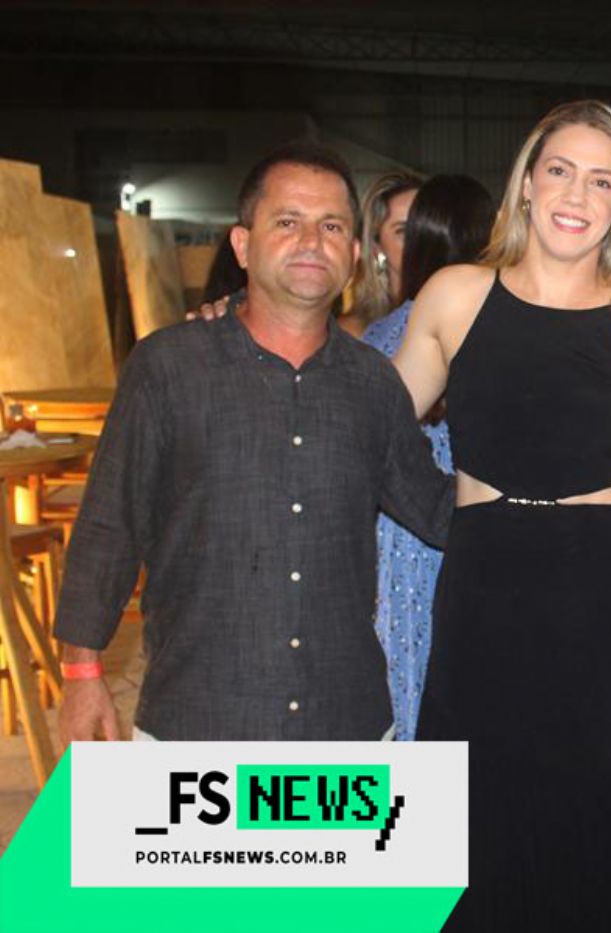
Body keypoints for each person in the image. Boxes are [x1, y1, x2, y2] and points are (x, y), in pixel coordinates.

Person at [394, 101, 611, 930]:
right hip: (482, 595)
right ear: (527, 182)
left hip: (601, 602)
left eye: (602, 180)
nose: (576, 194)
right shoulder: (455, 295)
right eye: (560, 170)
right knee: (477, 833)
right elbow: (372, 425)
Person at [53, 142, 454, 743]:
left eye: (331, 226)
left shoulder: (374, 385)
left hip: (344, 728)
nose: (311, 241)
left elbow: (435, 508)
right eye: (287, 222)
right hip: (197, 724)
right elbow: (110, 523)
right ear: (242, 245)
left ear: (352, 255)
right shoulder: (168, 369)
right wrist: (82, 673)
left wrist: (556, 491)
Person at [361, 173, 495, 740]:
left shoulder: (381, 337)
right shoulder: (497, 327)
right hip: (459, 526)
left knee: (409, 675)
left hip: (402, 539)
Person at [344, 171, 423, 336]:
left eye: (427, 226)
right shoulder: (354, 333)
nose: (421, 238)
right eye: (403, 231)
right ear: (376, 245)